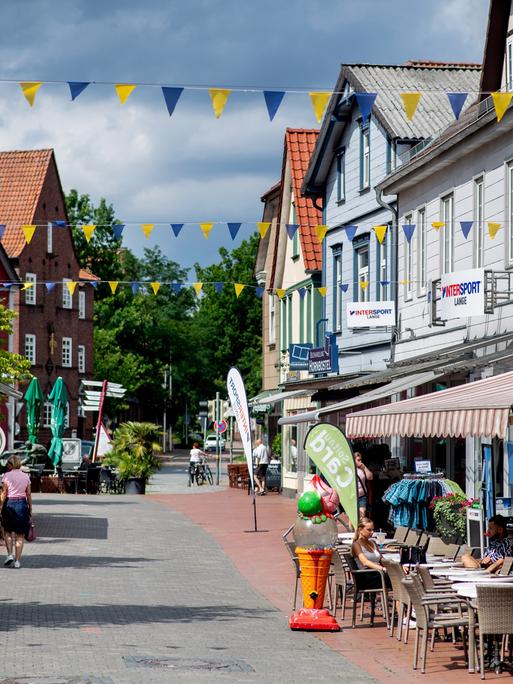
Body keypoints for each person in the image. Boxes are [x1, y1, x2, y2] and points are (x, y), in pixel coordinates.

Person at [1, 455, 32, 568]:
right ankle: (17, 561)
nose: (7, 465)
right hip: (22, 505)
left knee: (7, 531)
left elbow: (4, 493)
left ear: (11, 464)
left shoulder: (6, 476)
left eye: (8, 463)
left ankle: (9, 554)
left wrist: (1, 507)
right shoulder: (25, 477)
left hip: (9, 504)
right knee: (20, 535)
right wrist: (30, 508)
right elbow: (28, 493)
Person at [351, 517, 391, 589]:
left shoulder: (373, 542)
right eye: (369, 530)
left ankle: (400, 600)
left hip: (377, 573)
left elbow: (381, 559)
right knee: (395, 579)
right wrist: (382, 568)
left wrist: (395, 567)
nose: (372, 532)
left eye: (373, 530)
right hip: (366, 576)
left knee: (397, 575)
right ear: (360, 530)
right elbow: (365, 562)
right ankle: (400, 600)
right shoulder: (356, 545)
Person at [355, 452, 373, 519]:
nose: (360, 461)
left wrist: (364, 467)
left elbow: (370, 477)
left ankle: (360, 529)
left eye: (361, 459)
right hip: (352, 497)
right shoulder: (349, 470)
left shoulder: (362, 469)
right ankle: (354, 529)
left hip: (362, 497)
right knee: (353, 518)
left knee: (362, 514)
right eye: (358, 460)